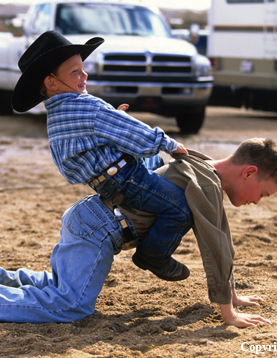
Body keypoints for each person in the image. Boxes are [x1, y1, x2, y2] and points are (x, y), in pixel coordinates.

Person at [0, 138, 277, 328]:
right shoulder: (206, 182)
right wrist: (229, 313)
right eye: (264, 193)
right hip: (102, 228)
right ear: (248, 172)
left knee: (59, 287)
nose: (258, 202)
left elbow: (218, 237)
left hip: (92, 217)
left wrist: (233, 295)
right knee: (72, 305)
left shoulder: (197, 163)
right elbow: (216, 242)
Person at [10, 30, 192, 281]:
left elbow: (94, 141)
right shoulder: (86, 106)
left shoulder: (57, 114)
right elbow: (132, 130)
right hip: (127, 177)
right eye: (75, 71)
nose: (84, 75)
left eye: (83, 68)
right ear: (51, 82)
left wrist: (112, 124)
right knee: (180, 209)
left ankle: (148, 219)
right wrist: (167, 143)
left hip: (108, 180)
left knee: (156, 165)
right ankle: (153, 255)